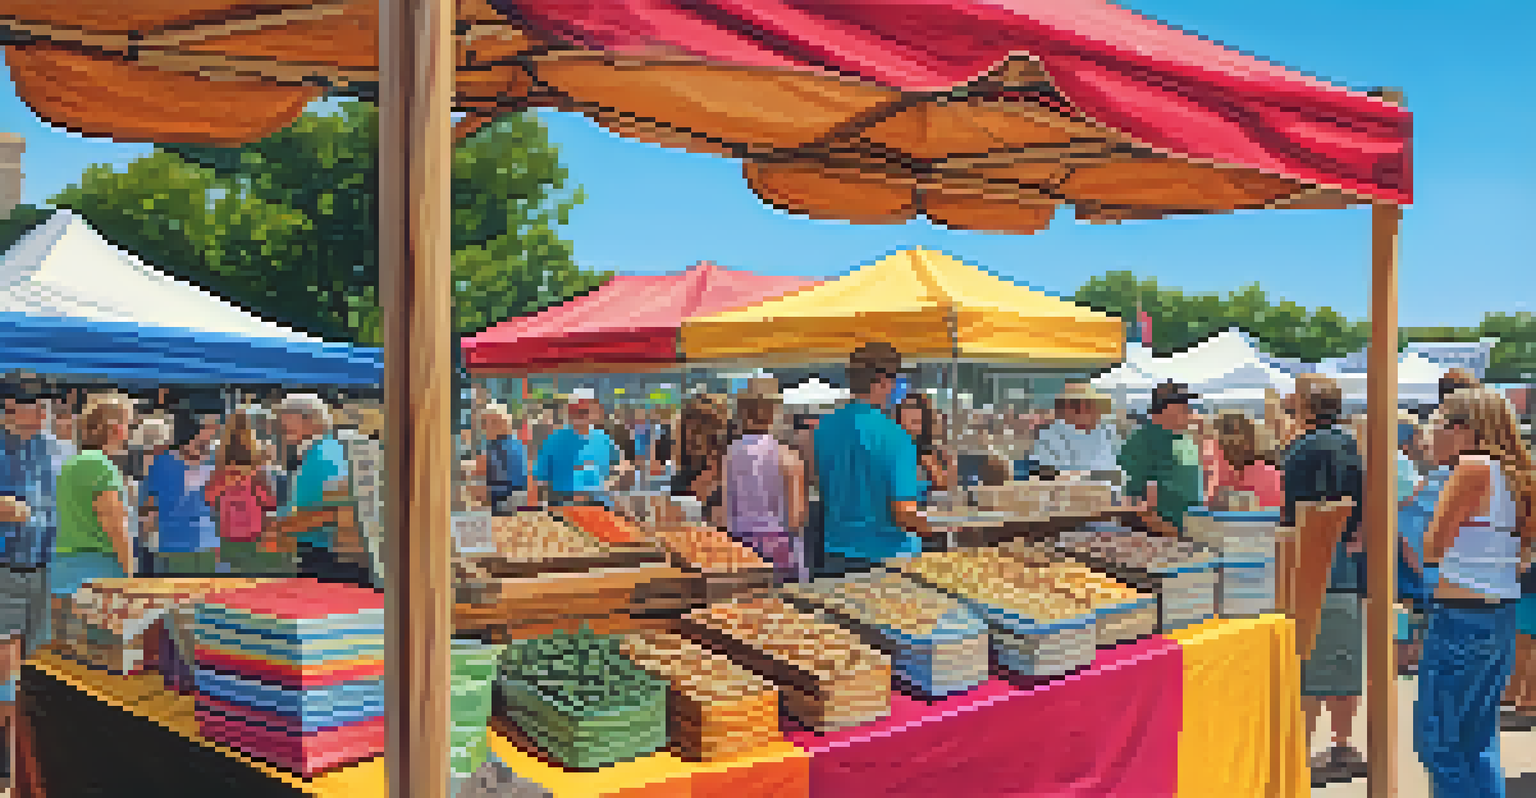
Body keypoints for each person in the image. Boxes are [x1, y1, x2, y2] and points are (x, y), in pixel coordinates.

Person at [1416, 386, 1535, 796]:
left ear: (1465, 429)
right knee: (1477, 742)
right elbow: (1523, 551)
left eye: (1440, 424)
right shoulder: (1517, 474)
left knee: (1440, 744)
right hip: (1497, 614)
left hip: (1460, 614)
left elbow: (1432, 547)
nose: (1434, 434)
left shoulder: (1471, 469)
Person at [1280, 374, 1366, 779]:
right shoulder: (1350, 443)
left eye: (1293, 395)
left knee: (1309, 665)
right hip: (1344, 570)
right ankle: (1342, 746)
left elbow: (1305, 514)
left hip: (1313, 568)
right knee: (1343, 663)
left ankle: (1304, 752)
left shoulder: (1306, 447)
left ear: (1307, 404)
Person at [814, 342, 934, 577]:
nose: (894, 388)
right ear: (881, 381)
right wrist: (937, 527)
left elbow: (819, 481)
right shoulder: (896, 437)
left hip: (836, 551)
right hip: (887, 557)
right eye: (895, 381)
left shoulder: (824, 427)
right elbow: (903, 514)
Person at [0, 379, 59, 778]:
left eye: (46, 406)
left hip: (43, 568)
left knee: (37, 664)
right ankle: (5, 761)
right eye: (35, 405)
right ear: (9, 406)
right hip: (4, 569)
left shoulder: (48, 447)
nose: (43, 413)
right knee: (5, 664)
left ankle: (30, 759)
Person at [268, 393, 369, 585]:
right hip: (319, 553)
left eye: (286, 419)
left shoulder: (326, 453)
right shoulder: (318, 451)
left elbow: (338, 508)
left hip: (328, 557)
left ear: (311, 419)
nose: (280, 427)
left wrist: (283, 527)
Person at [53, 393, 136, 606]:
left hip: (65, 572)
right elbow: (116, 526)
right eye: (129, 424)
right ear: (116, 427)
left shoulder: (73, 464)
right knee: (105, 640)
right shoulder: (100, 465)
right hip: (98, 575)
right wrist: (131, 577)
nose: (130, 432)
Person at [722, 379, 807, 584]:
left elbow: (725, 508)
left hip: (739, 541)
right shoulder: (787, 456)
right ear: (772, 412)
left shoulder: (729, 453)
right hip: (778, 542)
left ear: (742, 412)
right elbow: (796, 518)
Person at [1398, 418, 1453, 677]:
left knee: (1409, 610)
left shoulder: (1429, 482)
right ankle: (1408, 655)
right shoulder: (1431, 482)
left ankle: (1406, 655)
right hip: (1429, 572)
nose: (1424, 445)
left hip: (1422, 569)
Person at [140, 410, 221, 576]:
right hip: (174, 546)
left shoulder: (213, 462)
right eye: (200, 443)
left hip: (206, 544)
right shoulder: (162, 463)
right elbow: (148, 506)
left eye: (206, 444)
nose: (204, 448)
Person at [205, 411, 283, 575]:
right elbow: (269, 502)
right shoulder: (258, 469)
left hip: (230, 533)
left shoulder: (219, 468)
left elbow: (209, 499)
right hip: (250, 533)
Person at [1118, 382, 1204, 531]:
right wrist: (1170, 533)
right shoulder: (1142, 441)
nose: (1189, 411)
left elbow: (1191, 485)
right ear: (1166, 408)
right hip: (1157, 535)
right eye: (1182, 405)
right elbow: (1136, 503)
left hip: (1189, 528)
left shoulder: (1183, 439)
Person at [533, 398, 627, 508]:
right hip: (563, 504)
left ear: (593, 412)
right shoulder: (553, 441)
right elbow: (540, 478)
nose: (580, 416)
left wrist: (614, 481)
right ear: (569, 413)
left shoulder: (604, 440)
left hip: (598, 504)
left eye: (584, 411)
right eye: (575, 411)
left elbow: (621, 464)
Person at [1031, 383, 1122, 477]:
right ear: (1063, 409)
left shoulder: (1107, 433)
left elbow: (1112, 470)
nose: (1082, 411)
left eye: (1088, 406)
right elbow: (1046, 473)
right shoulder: (1048, 435)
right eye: (1075, 405)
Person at [1211, 410, 1284, 508]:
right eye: (1226, 435)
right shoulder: (1219, 476)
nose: (1232, 440)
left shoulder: (1269, 477)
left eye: (1237, 434)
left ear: (1250, 439)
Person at [895, 393, 955, 504]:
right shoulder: (895, 450)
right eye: (909, 409)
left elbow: (946, 485)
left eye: (918, 409)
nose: (915, 413)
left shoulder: (929, 450)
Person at [481, 404, 529, 515]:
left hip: (507, 502)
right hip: (506, 500)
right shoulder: (500, 443)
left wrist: (484, 490)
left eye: (492, 423)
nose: (486, 427)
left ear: (504, 423)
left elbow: (511, 482)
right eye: (485, 423)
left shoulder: (507, 445)